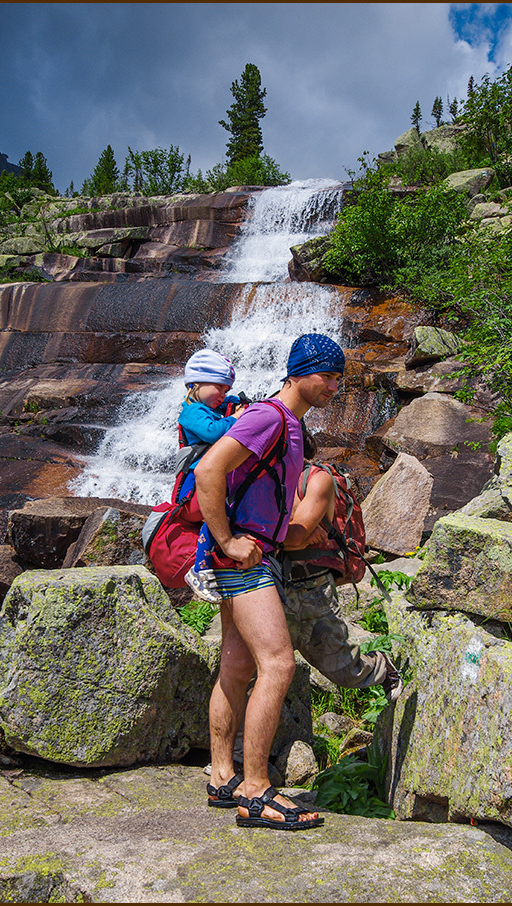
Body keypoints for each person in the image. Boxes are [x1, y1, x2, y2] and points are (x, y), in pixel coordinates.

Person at [194, 333, 346, 831]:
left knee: (236, 667)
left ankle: (222, 776)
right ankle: (256, 792)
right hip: (245, 560)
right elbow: (210, 469)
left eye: (338, 378)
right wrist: (228, 539)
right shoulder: (270, 417)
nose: (333, 387)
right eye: (326, 376)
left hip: (255, 555)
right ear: (298, 373)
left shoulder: (289, 424)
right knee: (278, 664)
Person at [281, 427, 404, 703]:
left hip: (310, 588)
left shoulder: (315, 480)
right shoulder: (264, 478)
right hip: (269, 582)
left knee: (341, 667)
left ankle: (383, 669)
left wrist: (266, 533)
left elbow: (297, 538)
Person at [177, 349, 247, 603]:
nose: (223, 393)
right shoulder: (192, 412)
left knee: (227, 512)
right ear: (196, 383)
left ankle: (217, 564)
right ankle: (199, 568)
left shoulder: (209, 409)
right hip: (195, 486)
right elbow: (212, 433)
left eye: (226, 387)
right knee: (217, 513)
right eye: (219, 386)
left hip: (208, 481)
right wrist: (237, 418)